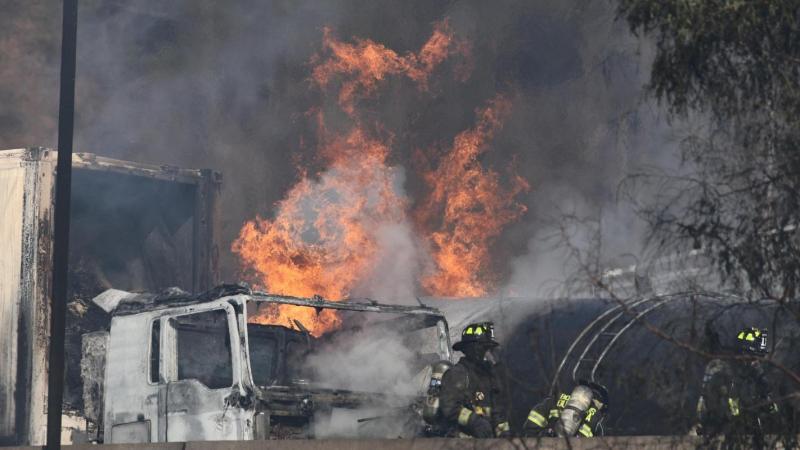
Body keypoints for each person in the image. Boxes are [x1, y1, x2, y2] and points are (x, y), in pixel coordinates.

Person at [696, 326, 779, 441]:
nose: (757, 361)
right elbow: (708, 398)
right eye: (754, 357)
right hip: (722, 427)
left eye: (759, 357)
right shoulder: (722, 369)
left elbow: (765, 387)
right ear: (744, 352)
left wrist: (769, 402)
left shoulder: (753, 369)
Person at [438, 322, 511, 438]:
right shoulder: (458, 374)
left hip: (488, 443)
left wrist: (504, 435)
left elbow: (498, 412)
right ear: (470, 349)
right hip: (460, 441)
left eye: (487, 348)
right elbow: (449, 407)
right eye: (482, 348)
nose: (485, 353)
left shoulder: (490, 376)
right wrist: (474, 421)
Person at [522, 381, 608, 438]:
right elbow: (600, 444)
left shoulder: (558, 398)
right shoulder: (596, 416)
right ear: (600, 402)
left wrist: (540, 435)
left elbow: (533, 420)